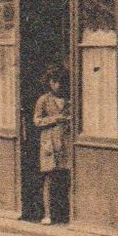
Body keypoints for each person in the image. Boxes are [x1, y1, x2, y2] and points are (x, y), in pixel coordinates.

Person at [33, 65, 71, 225]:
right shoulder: (44, 100)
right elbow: (36, 120)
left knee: (66, 177)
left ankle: (66, 214)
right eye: (54, 82)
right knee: (49, 178)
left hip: (66, 141)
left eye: (60, 82)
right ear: (49, 82)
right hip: (49, 143)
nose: (58, 85)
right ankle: (48, 214)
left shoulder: (69, 99)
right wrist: (54, 120)